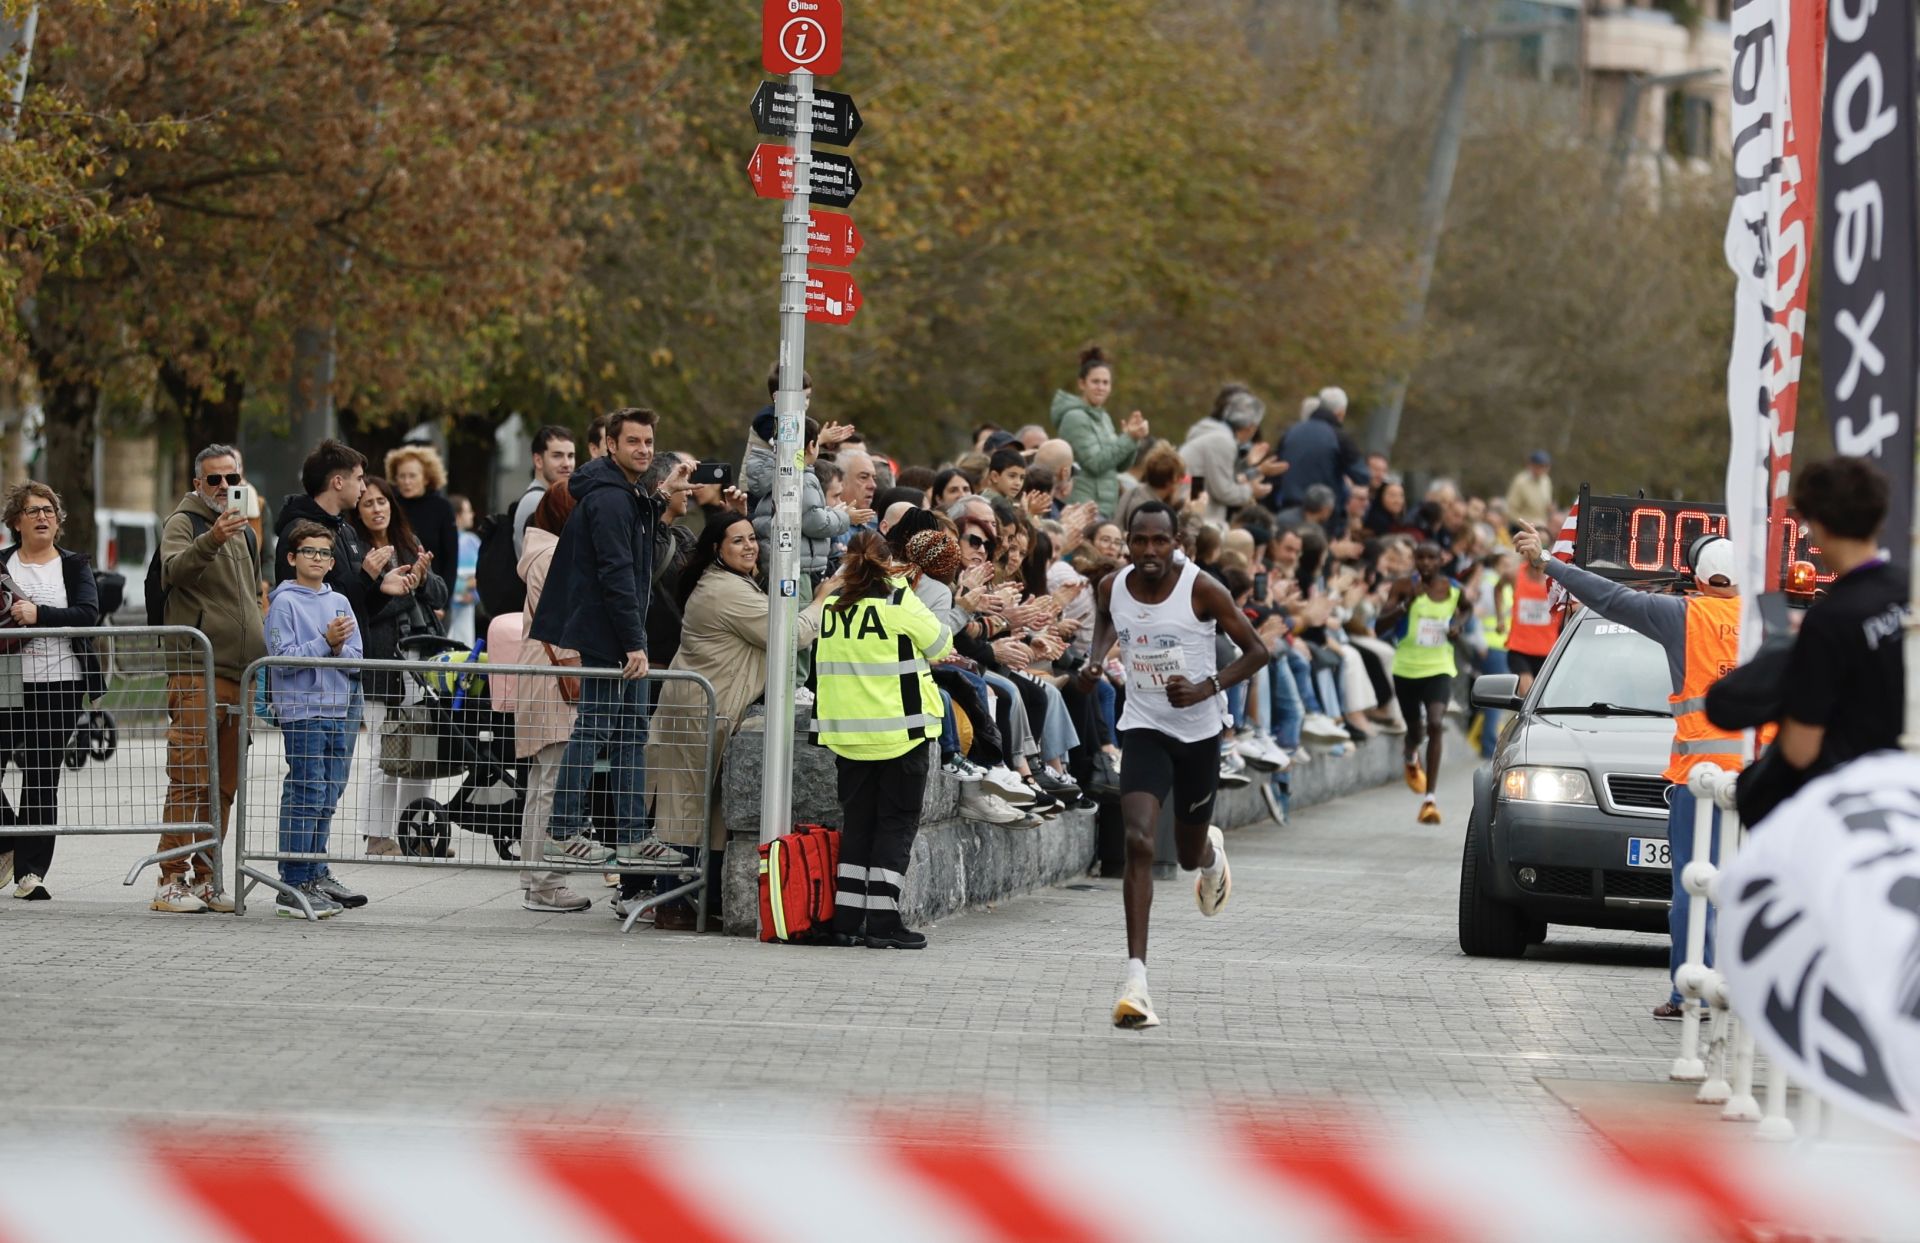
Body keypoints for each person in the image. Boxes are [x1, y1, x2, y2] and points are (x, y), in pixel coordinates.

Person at [1514, 518, 1749, 1021]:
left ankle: (1689, 994)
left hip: (1698, 778)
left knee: (1693, 887)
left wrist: (1548, 561)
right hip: (1757, 780)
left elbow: (1609, 597)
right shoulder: (1768, 622)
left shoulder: (1682, 615)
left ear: (1698, 578)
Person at [1077, 501, 1270, 1028]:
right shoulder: (1112, 586)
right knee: (1138, 841)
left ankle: (1210, 855)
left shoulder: (1202, 589)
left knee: (1185, 854)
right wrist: (1095, 659)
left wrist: (1207, 687)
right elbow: (1105, 618)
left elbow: (1257, 652)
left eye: (1159, 540)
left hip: (1199, 734)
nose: (1148, 551)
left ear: (1176, 542)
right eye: (1139, 540)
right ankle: (1135, 982)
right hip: (1144, 726)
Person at [647, 510, 824, 923]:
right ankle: (673, 903)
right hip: (698, 712)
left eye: (751, 538)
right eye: (738, 540)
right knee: (685, 807)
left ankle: (701, 902)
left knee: (707, 810)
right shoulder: (725, 590)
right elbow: (790, 634)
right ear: (716, 549)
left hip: (710, 709)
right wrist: (820, 601)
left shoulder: (730, 583)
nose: (750, 546)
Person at [530, 407, 688, 866]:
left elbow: (635, 546)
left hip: (622, 632)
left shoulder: (626, 492)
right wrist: (634, 643)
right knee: (596, 727)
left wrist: (662, 492)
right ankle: (563, 830)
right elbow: (617, 573)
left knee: (631, 732)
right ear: (611, 445)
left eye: (649, 442)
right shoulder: (609, 499)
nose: (643, 450)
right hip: (609, 634)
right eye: (633, 441)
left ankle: (632, 836)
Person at [814, 531, 953, 950]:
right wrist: (903, 588)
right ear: (888, 562)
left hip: (848, 738)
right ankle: (883, 922)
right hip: (900, 736)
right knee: (895, 826)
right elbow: (941, 645)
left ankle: (845, 921)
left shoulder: (832, 607)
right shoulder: (897, 602)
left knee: (858, 825)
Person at [150, 445, 264, 915]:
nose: (223, 487)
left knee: (223, 786)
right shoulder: (185, 522)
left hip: (241, 672)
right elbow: (173, 571)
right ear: (198, 483)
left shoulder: (246, 531)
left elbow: (254, 594)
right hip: (198, 669)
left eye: (231, 478)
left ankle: (206, 877)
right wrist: (212, 538)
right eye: (213, 479)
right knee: (189, 776)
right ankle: (170, 879)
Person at [0, 483, 100, 903]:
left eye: (49, 510)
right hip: (7, 680)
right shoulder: (3, 564)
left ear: (58, 521)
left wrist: (38, 614)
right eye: (33, 510)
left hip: (59, 682)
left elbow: (88, 613)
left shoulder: (73, 565)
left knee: (41, 777)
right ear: (16, 522)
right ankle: (7, 838)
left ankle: (30, 872)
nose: (43, 517)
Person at [1777, 456, 1906, 775]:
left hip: (1860, 787)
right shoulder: (1912, 589)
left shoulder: (1828, 620)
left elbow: (1800, 751)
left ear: (1818, 525)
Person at [265, 520, 364, 919]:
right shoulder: (284, 603)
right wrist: (326, 642)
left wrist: (337, 648)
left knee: (327, 794)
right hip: (302, 711)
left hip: (337, 709)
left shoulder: (340, 601)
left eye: (325, 553)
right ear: (292, 557)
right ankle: (294, 881)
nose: (318, 559)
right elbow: (282, 659)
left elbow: (356, 659)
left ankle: (316, 871)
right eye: (310, 552)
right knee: (306, 792)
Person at [347, 475, 447, 856]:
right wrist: (405, 592)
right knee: (382, 751)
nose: (377, 509)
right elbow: (364, 611)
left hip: (420, 660)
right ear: (358, 511)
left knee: (420, 750)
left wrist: (420, 581)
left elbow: (439, 593)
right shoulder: (357, 552)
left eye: (382, 501)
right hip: (381, 664)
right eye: (368, 503)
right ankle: (376, 836)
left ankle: (415, 834)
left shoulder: (408, 541)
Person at [511, 480, 593, 915]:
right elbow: (567, 618)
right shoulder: (553, 556)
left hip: (543, 674)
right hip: (556, 675)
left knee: (542, 782)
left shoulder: (542, 552)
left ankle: (535, 878)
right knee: (552, 784)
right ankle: (546, 883)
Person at [1377, 542, 1473, 825]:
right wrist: (1406, 604)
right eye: (1421, 558)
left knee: (1434, 722)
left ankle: (1430, 800)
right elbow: (1379, 626)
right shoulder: (1403, 586)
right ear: (1415, 560)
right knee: (1416, 731)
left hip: (1439, 667)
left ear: (1441, 560)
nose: (1426, 563)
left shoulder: (1453, 589)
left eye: (1432, 558)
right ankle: (1410, 753)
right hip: (1406, 669)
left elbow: (1466, 609)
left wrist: (1458, 625)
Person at [1051, 345, 1148, 516]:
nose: (1101, 387)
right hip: (1082, 508)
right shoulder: (1075, 417)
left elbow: (1120, 466)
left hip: (1104, 508)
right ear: (1082, 384)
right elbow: (1095, 464)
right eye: (1095, 382)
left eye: (1105, 383)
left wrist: (1133, 439)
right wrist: (1127, 439)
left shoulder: (1104, 418)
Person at [1180, 385, 1277, 524]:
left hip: (1191, 503)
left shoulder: (1210, 433)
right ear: (1251, 427)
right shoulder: (1223, 441)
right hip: (1195, 513)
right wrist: (1251, 491)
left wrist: (1254, 469)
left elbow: (1215, 478)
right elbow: (1224, 492)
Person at [1273, 386, 1367, 515]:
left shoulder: (1290, 432)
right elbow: (1362, 476)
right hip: (1323, 513)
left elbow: (1276, 468)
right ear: (1341, 413)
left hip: (1287, 508)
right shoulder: (1340, 438)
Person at [385, 445, 459, 598]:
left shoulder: (442, 507)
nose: (406, 481)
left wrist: (444, 603)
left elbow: (451, 559)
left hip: (432, 592)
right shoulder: (390, 505)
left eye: (412, 476)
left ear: (426, 478)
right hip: (395, 591)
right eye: (401, 476)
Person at [510, 426, 577, 558]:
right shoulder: (537, 501)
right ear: (538, 460)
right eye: (557, 456)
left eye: (570, 456)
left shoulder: (543, 498)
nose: (567, 464)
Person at [446, 493, 481, 644]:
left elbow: (483, 575)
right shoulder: (446, 540)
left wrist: (475, 595)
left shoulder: (473, 541)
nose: (472, 514)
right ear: (458, 516)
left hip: (467, 608)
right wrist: (466, 586)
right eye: (468, 511)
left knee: (465, 645)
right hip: (446, 608)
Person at [1504, 450, 1554, 530]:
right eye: (1539, 466)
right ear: (1530, 465)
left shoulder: (1546, 481)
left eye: (1545, 466)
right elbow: (1510, 511)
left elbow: (1547, 505)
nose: (1542, 469)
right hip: (1520, 528)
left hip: (1541, 527)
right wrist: (1528, 523)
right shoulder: (1520, 482)